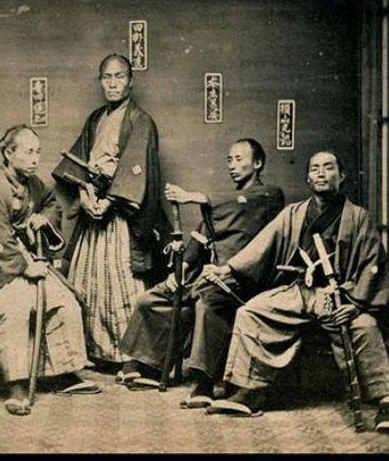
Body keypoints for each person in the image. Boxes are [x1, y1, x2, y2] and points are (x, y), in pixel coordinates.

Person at [201, 150, 389, 434]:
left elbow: (372, 264)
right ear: (307, 178)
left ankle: (385, 406)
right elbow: (261, 246)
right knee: (250, 311)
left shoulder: (359, 217)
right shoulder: (294, 213)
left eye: (329, 168)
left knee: (365, 326)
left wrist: (356, 303)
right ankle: (248, 392)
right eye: (315, 169)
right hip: (301, 290)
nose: (321, 174)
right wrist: (227, 269)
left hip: (341, 295)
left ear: (341, 177)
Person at [118, 139, 284, 406]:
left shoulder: (267, 197)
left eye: (240, 159)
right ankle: (150, 364)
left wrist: (196, 197)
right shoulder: (221, 206)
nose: (233, 165)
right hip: (207, 276)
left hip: (243, 280)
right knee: (154, 297)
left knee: (207, 303)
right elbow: (200, 238)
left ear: (258, 163)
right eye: (230, 159)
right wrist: (181, 270)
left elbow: (240, 203)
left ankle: (204, 383)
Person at [51, 54, 171, 367]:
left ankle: (132, 358)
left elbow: (137, 169)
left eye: (119, 76)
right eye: (107, 77)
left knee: (123, 282)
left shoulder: (140, 120)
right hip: (94, 209)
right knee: (88, 281)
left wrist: (109, 200)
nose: (113, 83)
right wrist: (84, 191)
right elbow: (78, 163)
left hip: (121, 215)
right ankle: (96, 354)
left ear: (131, 82)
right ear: (101, 81)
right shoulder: (95, 119)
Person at [0, 124, 100, 416]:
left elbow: (53, 206)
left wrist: (43, 219)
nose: (35, 158)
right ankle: (16, 385)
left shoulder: (35, 184)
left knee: (66, 302)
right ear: (9, 153)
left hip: (36, 262)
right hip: (6, 269)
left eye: (38, 151)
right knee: (16, 308)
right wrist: (25, 267)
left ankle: (64, 373)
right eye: (28, 152)